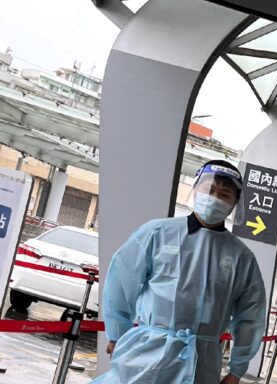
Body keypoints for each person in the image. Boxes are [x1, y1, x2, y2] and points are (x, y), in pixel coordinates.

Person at [91, 160, 267, 384]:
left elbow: (251, 315)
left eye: (224, 194)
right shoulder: (158, 232)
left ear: (234, 204)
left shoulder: (241, 258)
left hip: (200, 362)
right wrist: (116, 333)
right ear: (195, 189)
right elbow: (122, 281)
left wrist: (236, 370)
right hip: (147, 353)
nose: (214, 198)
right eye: (209, 189)